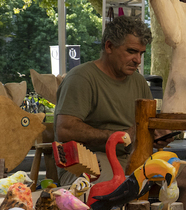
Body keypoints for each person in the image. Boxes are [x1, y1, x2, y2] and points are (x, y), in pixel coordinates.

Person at [54, 15, 173, 186]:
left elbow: (146, 124)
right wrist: (120, 137)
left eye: (141, 53)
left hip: (133, 157)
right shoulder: (81, 77)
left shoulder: (138, 81)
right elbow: (65, 129)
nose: (138, 60)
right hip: (89, 160)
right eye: (131, 51)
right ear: (109, 46)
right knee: (116, 187)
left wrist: (157, 134)